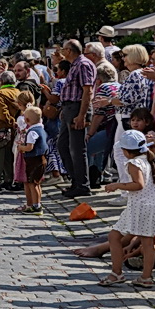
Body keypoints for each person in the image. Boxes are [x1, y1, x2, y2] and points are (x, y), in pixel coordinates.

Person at [98, 129, 155, 286]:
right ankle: (146, 277)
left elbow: (139, 184)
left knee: (114, 237)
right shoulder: (150, 159)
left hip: (139, 207)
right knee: (148, 243)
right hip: (152, 206)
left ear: (127, 151)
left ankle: (116, 273)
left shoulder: (134, 163)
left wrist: (117, 185)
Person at [55, 39, 96, 198]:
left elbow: (87, 91)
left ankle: (82, 185)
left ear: (70, 51)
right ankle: (75, 180)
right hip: (69, 108)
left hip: (77, 108)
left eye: (64, 49)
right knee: (63, 145)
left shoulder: (83, 64)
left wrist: (82, 115)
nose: (62, 52)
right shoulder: (74, 64)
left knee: (77, 149)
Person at [17, 105, 49, 214]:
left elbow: (30, 147)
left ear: (26, 120)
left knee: (32, 183)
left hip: (34, 160)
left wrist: (21, 147)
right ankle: (37, 203)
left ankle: (36, 206)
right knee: (37, 183)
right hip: (42, 158)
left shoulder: (32, 132)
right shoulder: (41, 128)